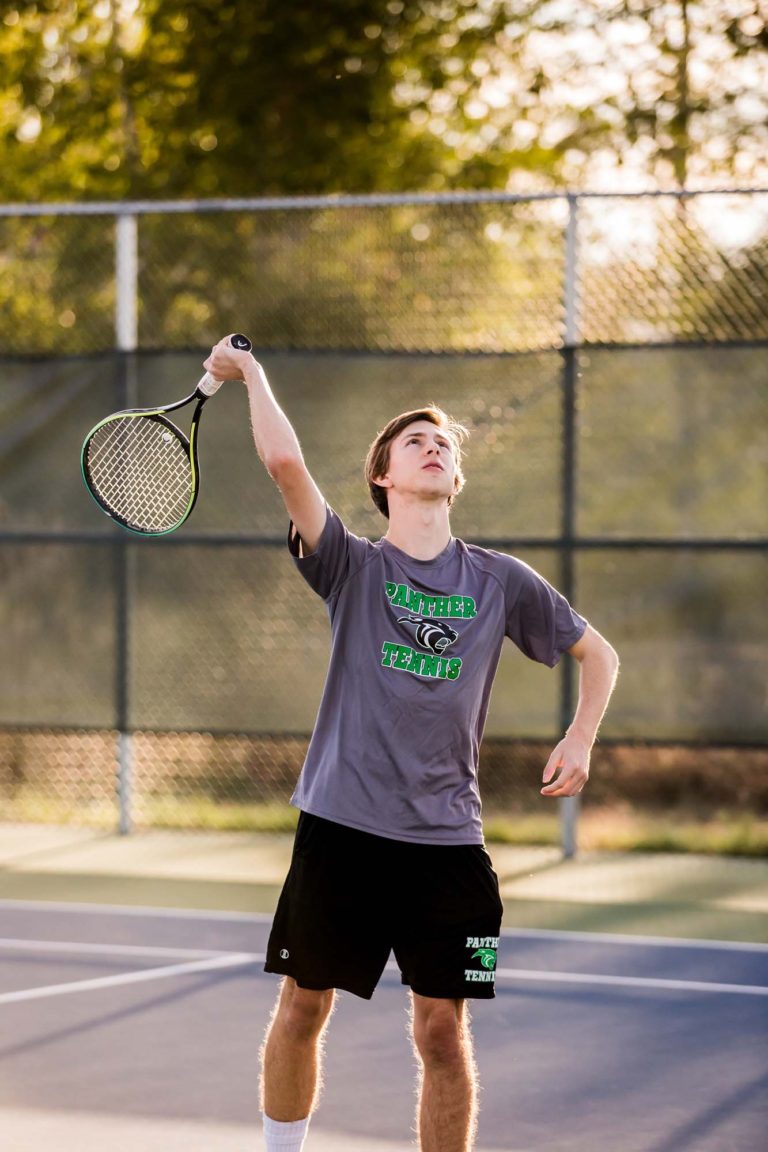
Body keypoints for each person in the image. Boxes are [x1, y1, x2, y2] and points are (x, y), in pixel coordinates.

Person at [203, 337, 620, 1152]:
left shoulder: (499, 580)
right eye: (414, 441)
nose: (434, 447)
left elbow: (598, 654)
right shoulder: (351, 568)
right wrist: (249, 372)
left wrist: (581, 735)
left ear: (454, 480)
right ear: (384, 478)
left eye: (445, 444)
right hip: (342, 828)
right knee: (303, 1006)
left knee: (440, 1033)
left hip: (445, 840)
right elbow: (286, 466)